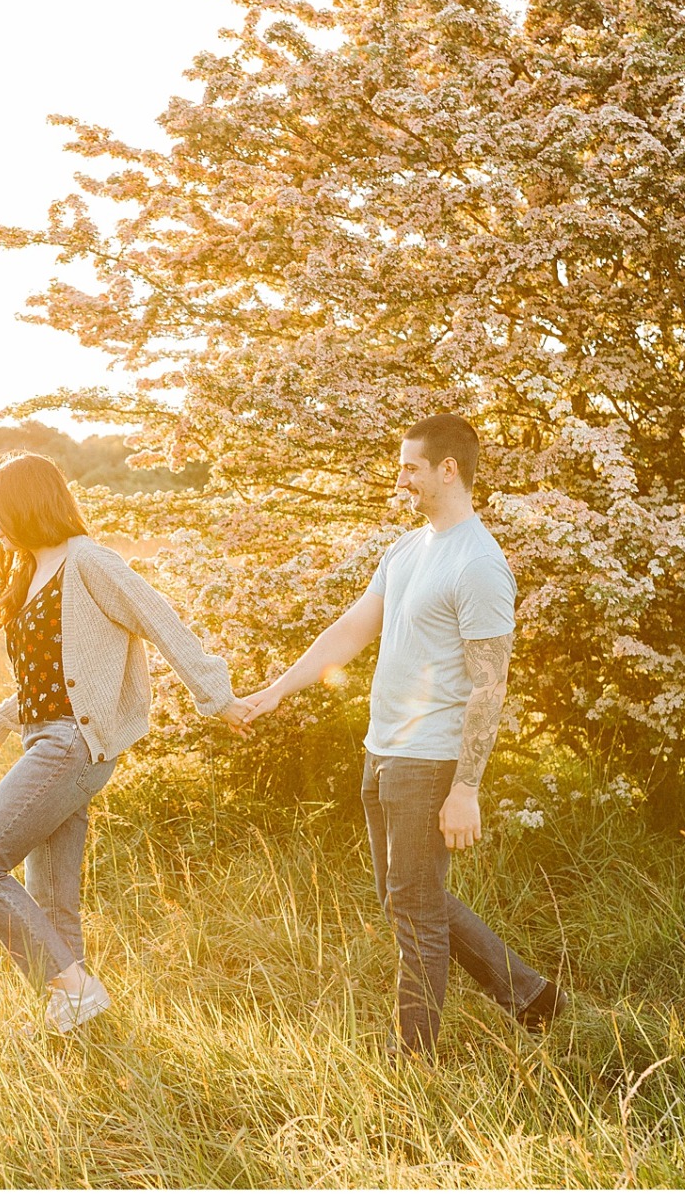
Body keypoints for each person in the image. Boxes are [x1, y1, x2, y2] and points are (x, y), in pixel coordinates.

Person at [239, 413, 565, 1057]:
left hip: (429, 761)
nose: (401, 478)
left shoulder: (479, 566)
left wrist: (466, 787)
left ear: (448, 470)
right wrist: (277, 689)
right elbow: (350, 631)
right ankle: (530, 996)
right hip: (382, 751)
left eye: (411, 466)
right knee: (409, 896)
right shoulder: (407, 549)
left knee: (413, 910)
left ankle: (412, 1061)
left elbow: (489, 685)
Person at [0, 451, 251, 1034]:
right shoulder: (28, 571)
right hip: (46, 739)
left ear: (26, 504)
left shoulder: (87, 561)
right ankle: (78, 1020)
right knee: (52, 894)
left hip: (71, 746)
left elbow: (160, 620)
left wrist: (217, 696)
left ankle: (75, 986)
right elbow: (49, 677)